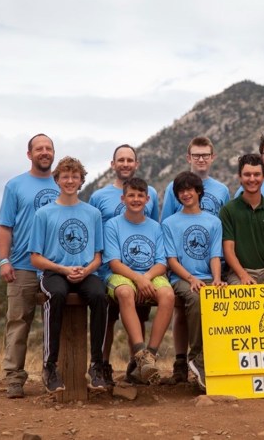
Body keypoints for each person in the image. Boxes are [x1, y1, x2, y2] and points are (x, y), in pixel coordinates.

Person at [29, 156, 109, 393]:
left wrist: (87, 270)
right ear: (57, 179)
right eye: (65, 176)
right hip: (54, 272)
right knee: (57, 294)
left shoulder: (92, 213)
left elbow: (98, 256)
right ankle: (50, 366)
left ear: (82, 180)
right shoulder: (43, 214)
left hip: (85, 272)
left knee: (100, 296)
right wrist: (63, 269)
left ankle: (96, 365)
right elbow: (35, 257)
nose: (70, 180)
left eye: (75, 176)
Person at [159, 136, 229, 384]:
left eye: (191, 190)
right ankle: (196, 358)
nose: (186, 194)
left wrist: (218, 279)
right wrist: (190, 278)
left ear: (199, 191)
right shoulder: (169, 223)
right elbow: (170, 257)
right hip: (182, 276)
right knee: (196, 299)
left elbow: (215, 254)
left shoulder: (214, 220)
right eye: (182, 191)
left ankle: (221, 360)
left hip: (210, 274)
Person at [0, 133, 60, 399]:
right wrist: (4, 260)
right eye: (39, 148)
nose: (44, 152)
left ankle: (56, 372)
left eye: (49, 148)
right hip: (22, 266)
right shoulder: (15, 186)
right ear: (29, 154)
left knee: (58, 322)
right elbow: (4, 226)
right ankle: (14, 378)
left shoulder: (64, 183)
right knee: (19, 322)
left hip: (56, 267)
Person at [89, 144, 157, 384]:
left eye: (130, 160)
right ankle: (102, 366)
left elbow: (152, 227)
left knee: (139, 315)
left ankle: (135, 366)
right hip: (109, 269)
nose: (125, 164)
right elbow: (93, 232)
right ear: (113, 164)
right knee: (107, 319)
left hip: (141, 268)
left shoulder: (152, 194)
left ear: (136, 164)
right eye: (121, 160)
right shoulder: (98, 196)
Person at [104, 177, 174, 385]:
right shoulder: (113, 225)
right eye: (131, 195)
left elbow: (162, 263)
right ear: (123, 198)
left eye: (140, 196)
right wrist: (137, 279)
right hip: (121, 275)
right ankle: (139, 353)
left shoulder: (155, 227)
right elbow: (114, 263)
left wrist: (146, 278)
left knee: (168, 295)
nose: (136, 199)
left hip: (150, 274)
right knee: (125, 293)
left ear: (148, 199)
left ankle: (150, 356)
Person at [219, 154, 264, 285]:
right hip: (238, 273)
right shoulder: (227, 211)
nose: (252, 179)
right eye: (247, 174)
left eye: (256, 174)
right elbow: (228, 250)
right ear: (240, 177)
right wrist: (243, 275)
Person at [160, 136, 230, 220]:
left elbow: (226, 224)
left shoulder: (222, 190)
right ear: (189, 158)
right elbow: (165, 225)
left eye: (205, 155)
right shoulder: (174, 187)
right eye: (196, 155)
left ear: (212, 158)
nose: (201, 160)